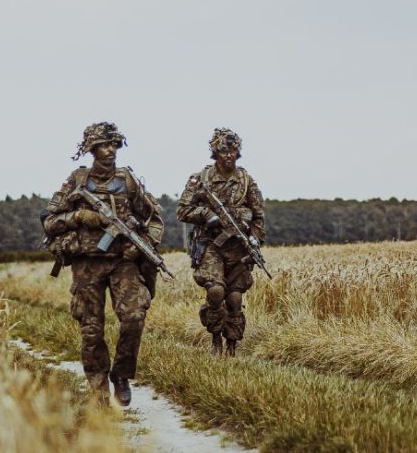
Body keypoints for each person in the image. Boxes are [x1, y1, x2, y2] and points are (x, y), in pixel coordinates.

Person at [42, 122, 165, 408]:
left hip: (123, 263)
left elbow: (154, 219)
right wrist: (79, 217)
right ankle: (98, 388)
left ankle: (121, 375)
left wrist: (143, 245)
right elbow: (49, 222)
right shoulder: (77, 181)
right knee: (91, 329)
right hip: (87, 266)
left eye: (114, 145)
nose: (111, 151)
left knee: (134, 317)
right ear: (92, 149)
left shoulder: (128, 181)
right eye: (104, 145)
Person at [176, 128, 266, 356]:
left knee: (235, 298)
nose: (229, 155)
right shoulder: (202, 179)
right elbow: (183, 210)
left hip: (238, 247)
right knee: (216, 291)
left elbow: (258, 215)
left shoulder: (246, 180)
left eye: (233, 150)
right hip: (210, 245)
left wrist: (255, 239)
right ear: (215, 152)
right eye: (224, 151)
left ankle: (232, 346)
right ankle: (216, 338)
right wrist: (206, 215)